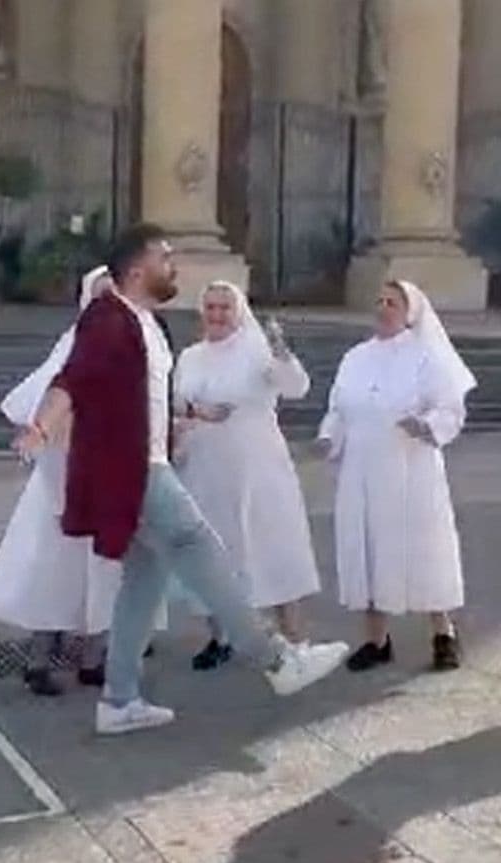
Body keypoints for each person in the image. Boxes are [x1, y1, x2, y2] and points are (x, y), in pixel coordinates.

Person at [19, 222, 351, 735]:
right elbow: (74, 378)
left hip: (146, 463)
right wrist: (41, 426)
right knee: (202, 550)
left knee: (143, 580)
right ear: (136, 269)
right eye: (164, 257)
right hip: (135, 471)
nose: (173, 265)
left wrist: (173, 426)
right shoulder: (109, 317)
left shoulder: (147, 323)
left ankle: (119, 698)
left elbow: (134, 398)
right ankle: (278, 660)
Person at [0, 267, 127, 694]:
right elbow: (40, 402)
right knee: (52, 567)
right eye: (101, 296)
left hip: (110, 478)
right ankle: (39, 660)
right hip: (62, 479)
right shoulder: (75, 346)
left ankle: (94, 658)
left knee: (104, 570)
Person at [318, 280, 476, 674]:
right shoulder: (355, 357)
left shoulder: (427, 356)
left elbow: (450, 407)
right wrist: (327, 437)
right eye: (380, 301)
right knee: (369, 547)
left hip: (411, 470)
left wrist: (426, 426)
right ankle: (376, 639)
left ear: (411, 312)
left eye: (393, 302)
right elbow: (338, 407)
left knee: (423, 549)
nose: (384, 308)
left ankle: (443, 634)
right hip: (363, 470)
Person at [172, 280, 321, 665]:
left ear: (238, 312)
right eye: (211, 307)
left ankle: (294, 637)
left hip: (257, 467)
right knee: (214, 551)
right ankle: (220, 636)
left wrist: (281, 352)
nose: (217, 315)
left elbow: (296, 387)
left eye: (225, 308)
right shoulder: (190, 356)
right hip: (205, 467)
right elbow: (178, 403)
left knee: (271, 547)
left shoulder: (258, 353)